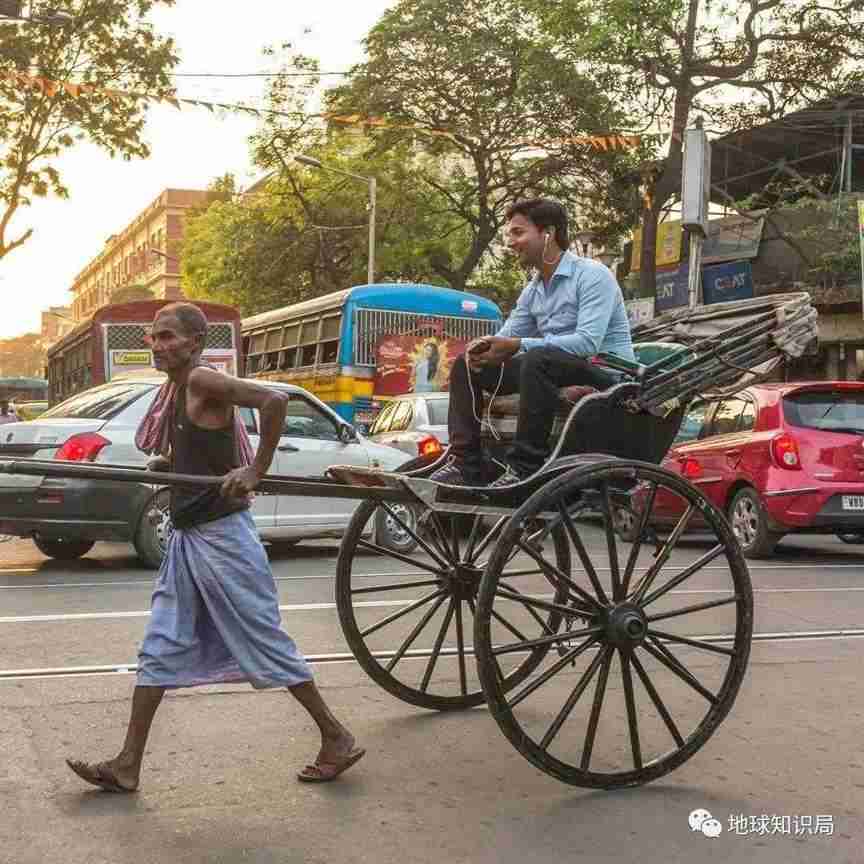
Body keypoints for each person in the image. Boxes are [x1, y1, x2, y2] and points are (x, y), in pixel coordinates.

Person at [66, 302, 364, 793]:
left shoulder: (202, 380)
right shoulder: (177, 389)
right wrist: (170, 464)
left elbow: (274, 402)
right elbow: (205, 448)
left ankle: (335, 735)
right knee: (160, 644)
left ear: (195, 344)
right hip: (189, 538)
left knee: (264, 640)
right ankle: (127, 765)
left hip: (224, 538)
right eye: (154, 338)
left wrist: (255, 470)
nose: (158, 346)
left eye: (168, 337)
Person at [431, 198, 635, 486]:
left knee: (537, 357)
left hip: (607, 377)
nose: (511, 242)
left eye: (518, 233)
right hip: (551, 369)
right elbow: (507, 335)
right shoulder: (534, 289)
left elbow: (588, 343)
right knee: (467, 364)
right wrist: (485, 348)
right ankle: (465, 462)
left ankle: (525, 465)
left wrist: (517, 345)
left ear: (548, 233)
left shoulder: (593, 275)